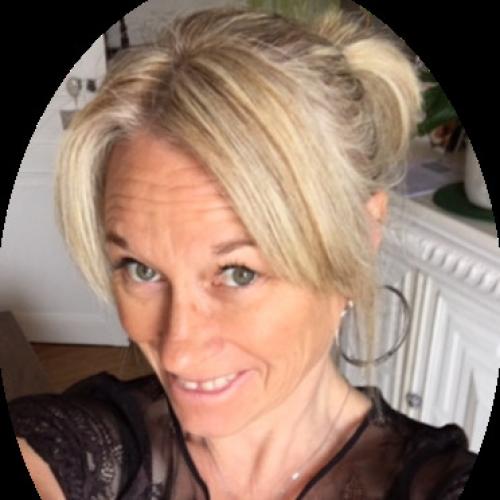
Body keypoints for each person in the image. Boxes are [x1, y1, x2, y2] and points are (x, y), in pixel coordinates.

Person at [8, 6, 476, 499]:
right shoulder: (99, 445)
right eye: (141, 269)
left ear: (361, 237)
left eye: (238, 273)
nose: (178, 350)